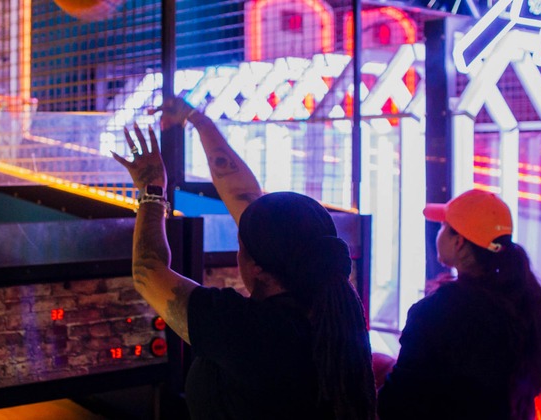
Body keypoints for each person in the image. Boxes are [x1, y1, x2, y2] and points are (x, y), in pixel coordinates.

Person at [112, 97, 376, 419]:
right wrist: (195, 119)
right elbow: (245, 196)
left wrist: (152, 191)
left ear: (256, 267)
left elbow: (147, 270)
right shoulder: (334, 315)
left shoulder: (243, 329)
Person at [377, 189, 541, 419]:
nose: (438, 232)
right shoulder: (522, 303)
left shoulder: (435, 312)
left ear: (459, 242)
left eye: (444, 226)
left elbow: (395, 404)